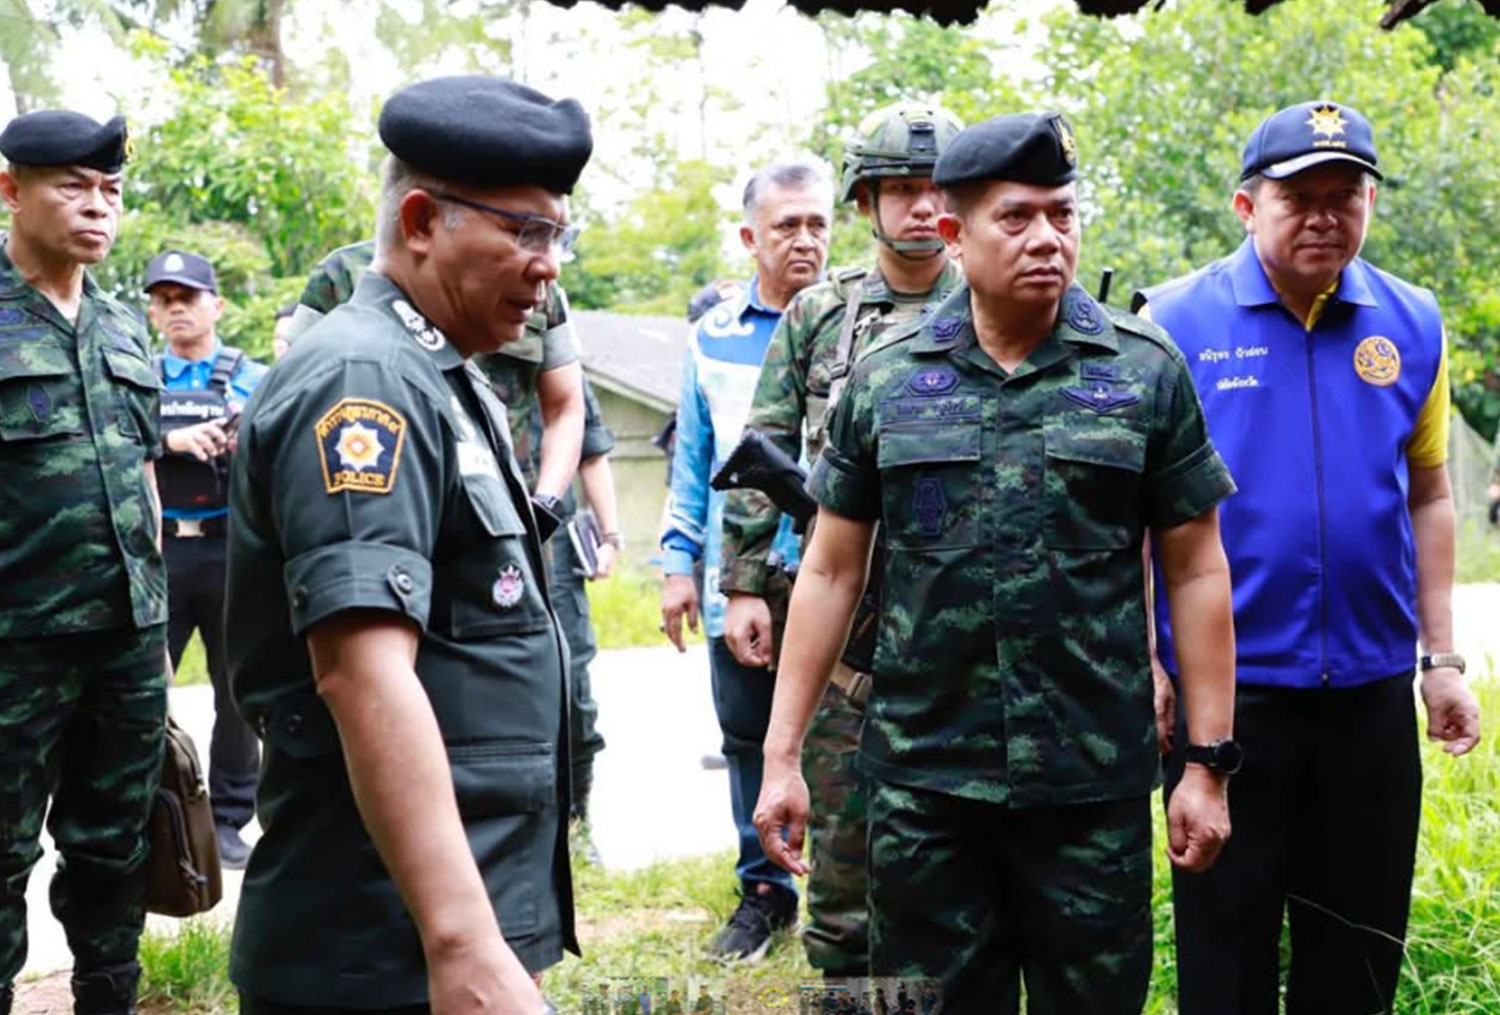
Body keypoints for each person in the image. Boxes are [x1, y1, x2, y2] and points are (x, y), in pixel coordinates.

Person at [753, 113, 1241, 1015]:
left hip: (1089, 783)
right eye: (1016, 218)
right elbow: (828, 571)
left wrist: (1205, 763)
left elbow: (1198, 569)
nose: (1048, 238)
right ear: (954, 233)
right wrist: (783, 754)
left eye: (1063, 213)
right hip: (926, 784)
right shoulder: (888, 376)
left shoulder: (1142, 370)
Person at [223, 74, 591, 1014]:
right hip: (378, 942)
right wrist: (464, 942)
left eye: (558, 234)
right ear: (424, 221)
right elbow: (362, 671)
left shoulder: (440, 372)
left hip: (433, 925)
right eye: (526, 231)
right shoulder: (365, 379)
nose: (549, 266)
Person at [1134, 99, 1483, 1015]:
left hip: (1369, 695)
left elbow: (1431, 492)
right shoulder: (1170, 322)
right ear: (1247, 208)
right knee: (1226, 947)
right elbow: (1135, 512)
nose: (1329, 214)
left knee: (1358, 951)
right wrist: (1148, 657)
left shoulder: (1412, 321)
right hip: (1228, 700)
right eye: (1302, 197)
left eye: (1349, 194)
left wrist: (1440, 660)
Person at [720, 102, 964, 980]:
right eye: (899, 189)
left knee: (957, 867)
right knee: (845, 848)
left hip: (956, 620)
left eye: (936, 187)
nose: (920, 206)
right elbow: (765, 447)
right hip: (839, 618)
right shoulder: (820, 314)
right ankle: (846, 987)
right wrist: (745, 581)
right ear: (866, 202)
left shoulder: (993, 304)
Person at [0, 110, 168, 1015]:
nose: (98, 207)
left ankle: (110, 996)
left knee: (118, 840)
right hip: (13, 639)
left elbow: (140, 472)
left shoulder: (121, 324)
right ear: (10, 191)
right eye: (72, 185)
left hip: (126, 635)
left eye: (109, 190)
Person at [659, 162, 833, 961]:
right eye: (786, 225)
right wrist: (677, 563)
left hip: (847, 573)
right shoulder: (714, 338)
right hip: (750, 577)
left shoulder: (860, 318)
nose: (804, 240)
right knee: (747, 733)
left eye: (817, 224)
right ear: (749, 237)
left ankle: (852, 883)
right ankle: (766, 888)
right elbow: (694, 464)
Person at [144, 248, 267, 870]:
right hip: (160, 550)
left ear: (216, 305)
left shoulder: (256, 376)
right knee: (139, 690)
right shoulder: (138, 374)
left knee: (237, 693)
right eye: (163, 300)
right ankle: (146, 819)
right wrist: (170, 440)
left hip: (228, 552)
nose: (175, 310)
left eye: (187, 298)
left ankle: (225, 822)